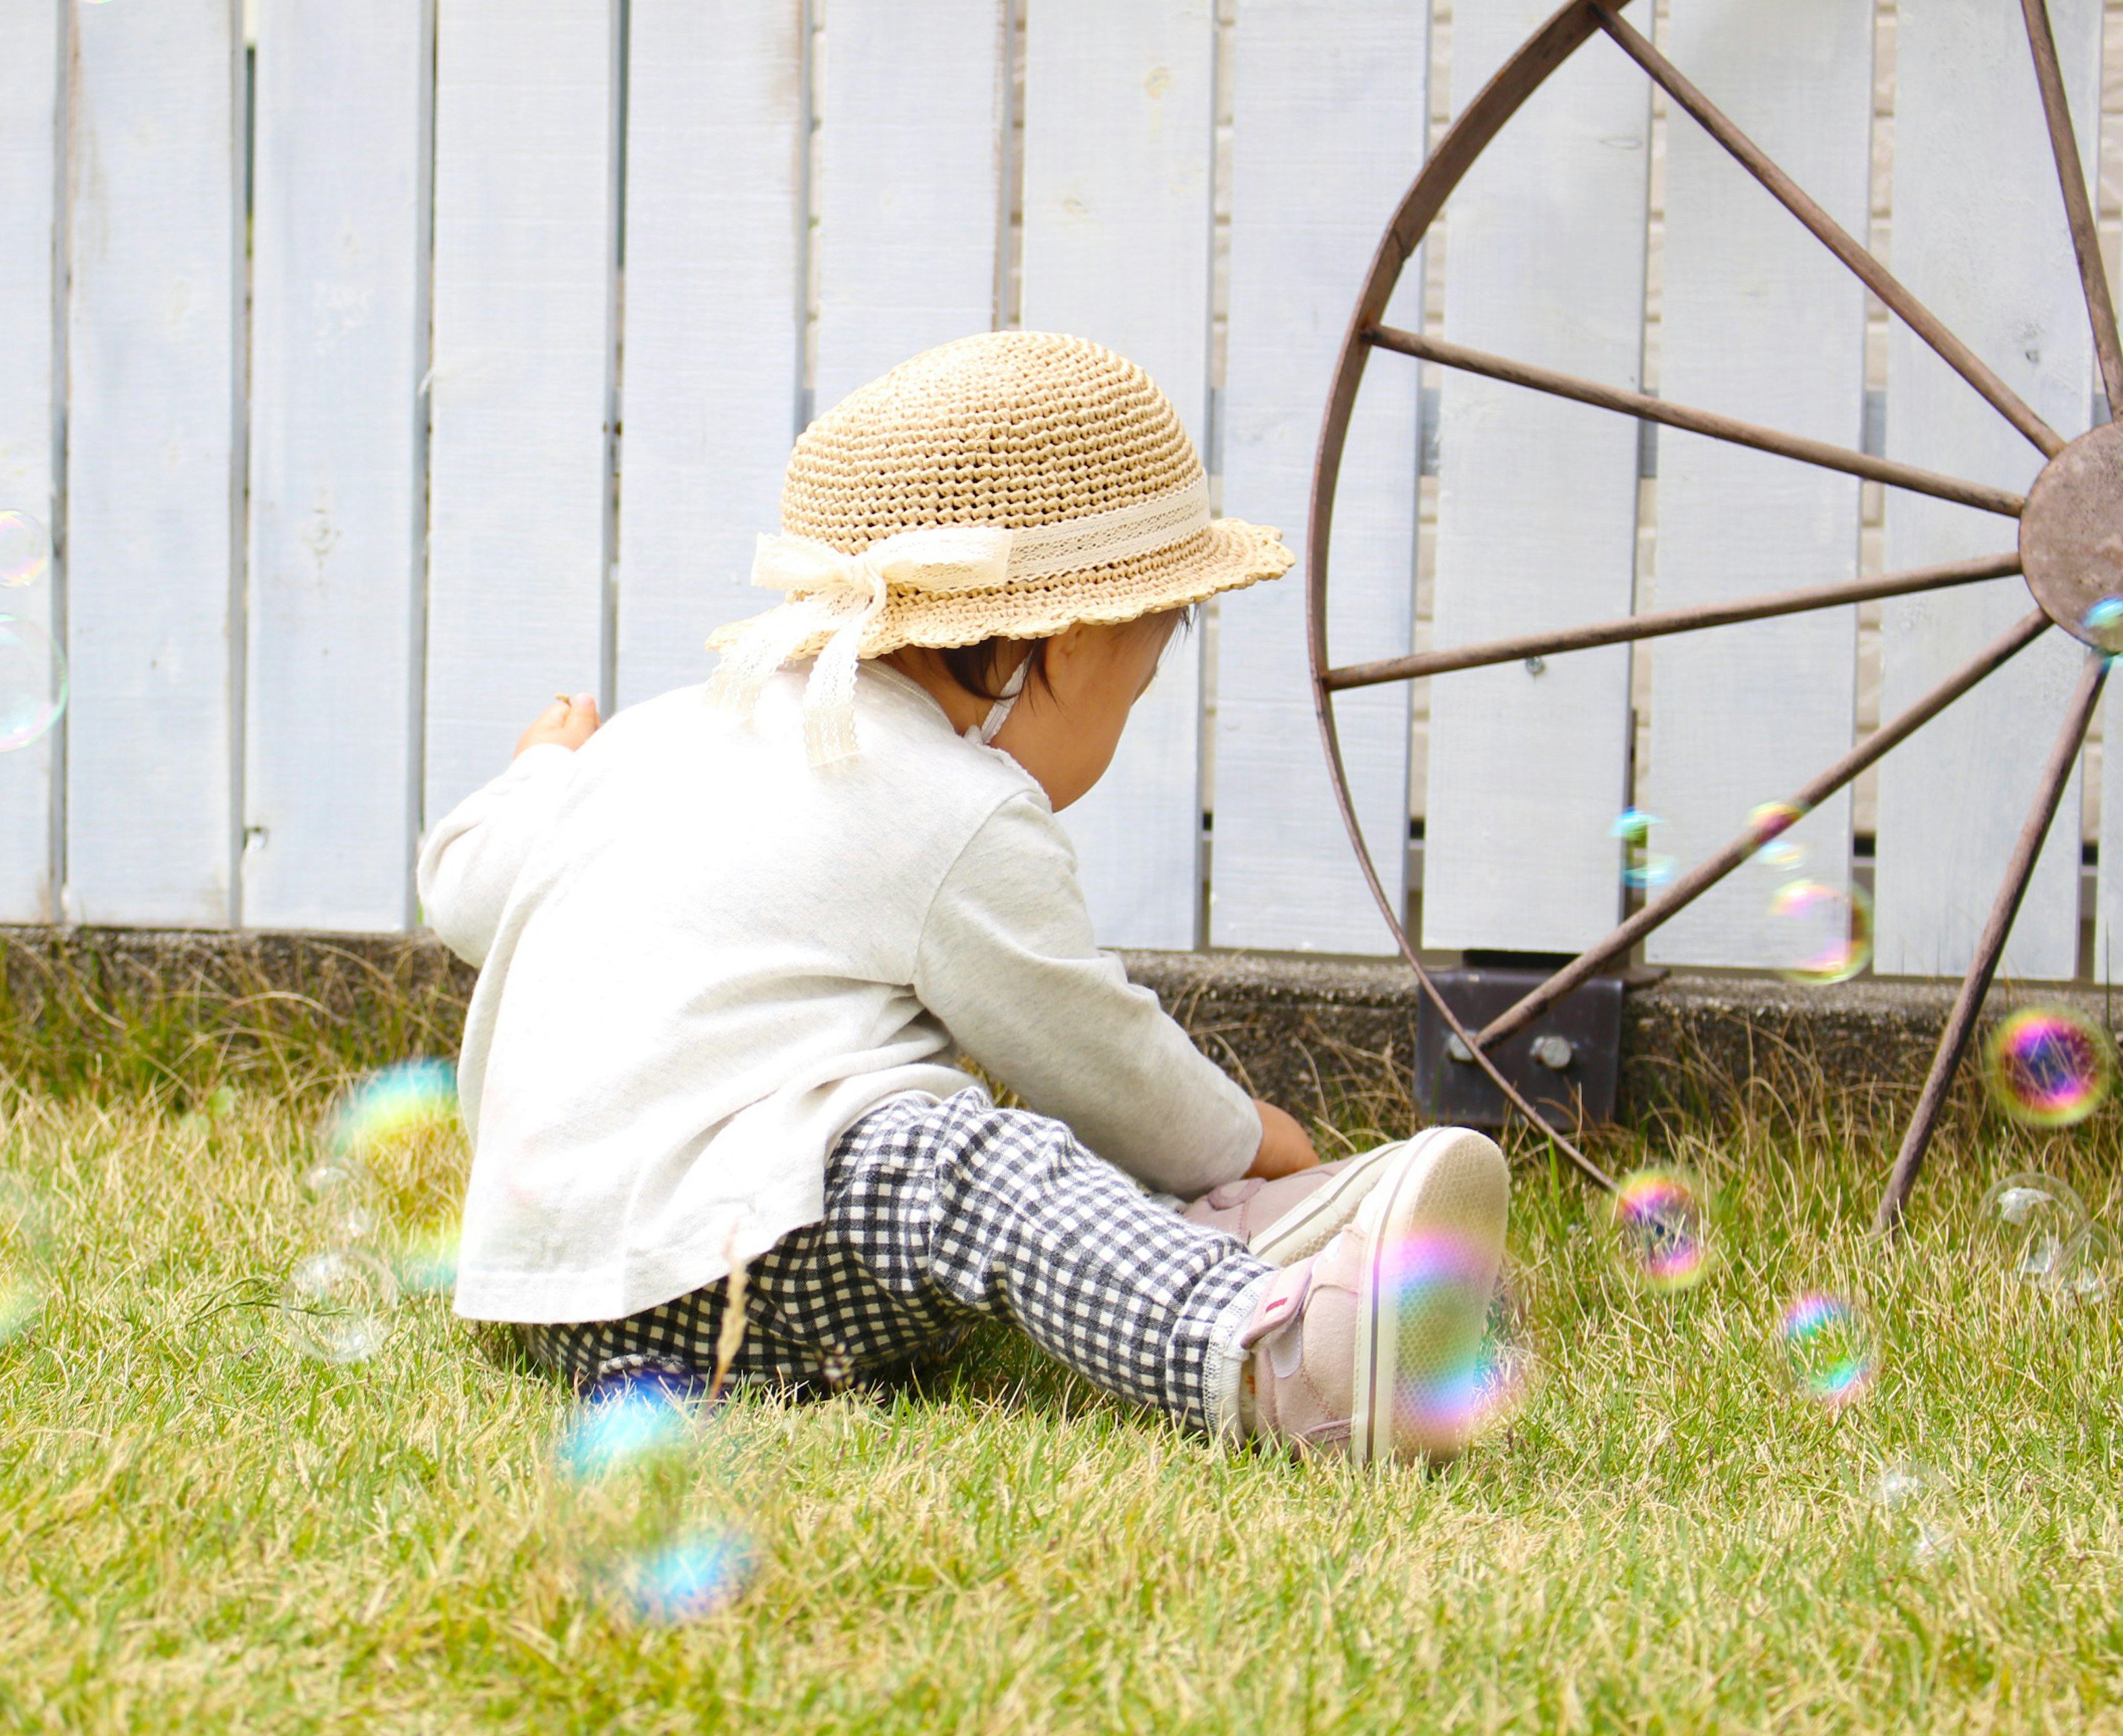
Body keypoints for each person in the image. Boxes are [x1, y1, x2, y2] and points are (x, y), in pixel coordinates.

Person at [419, 331, 1508, 1463]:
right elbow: (1094, 1055)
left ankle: (1245, 1246)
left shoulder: (652, 738)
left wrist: (544, 765)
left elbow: (460, 889)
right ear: (1074, 646)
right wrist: (1249, 1141)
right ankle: (1265, 1349)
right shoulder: (947, 801)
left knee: (951, 1148)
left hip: (545, 1295)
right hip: (737, 1276)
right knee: (958, 1158)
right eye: (1133, 691)